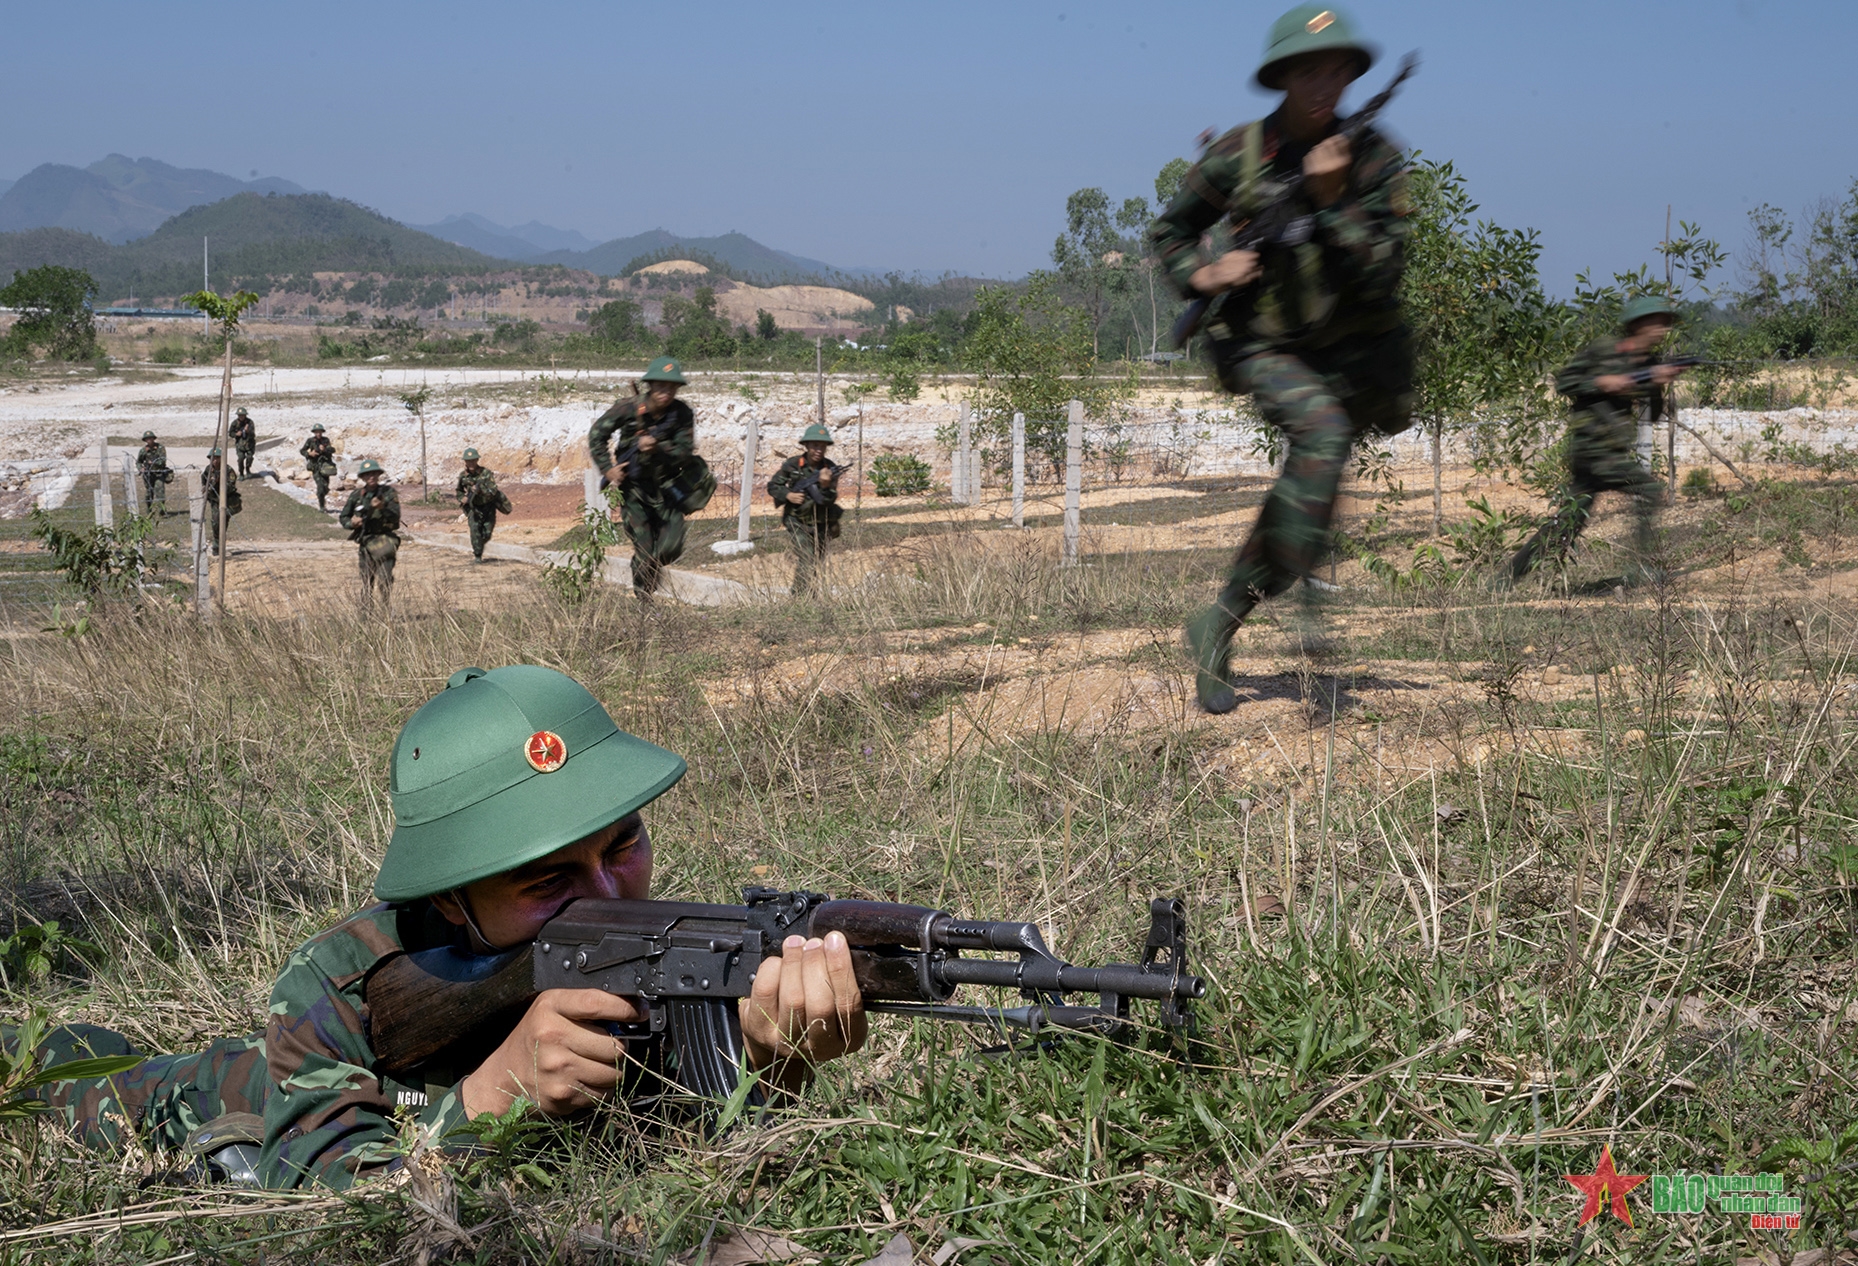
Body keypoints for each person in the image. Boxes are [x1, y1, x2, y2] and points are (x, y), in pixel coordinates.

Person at [24, 664, 867, 1188]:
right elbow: (341, 1201)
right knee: (49, 1074)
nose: (611, 889)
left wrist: (771, 1061)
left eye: (625, 845)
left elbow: (670, 1146)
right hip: (173, 1097)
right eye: (548, 880)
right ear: (454, 894)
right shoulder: (342, 980)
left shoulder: (654, 946)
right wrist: (500, 1090)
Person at [1150, 3, 1414, 714]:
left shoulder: (1375, 157)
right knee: (1322, 436)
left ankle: (1219, 623)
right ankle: (1291, 620)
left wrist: (1331, 203)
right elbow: (1172, 232)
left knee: (1311, 500)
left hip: (1346, 350)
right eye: (1308, 69)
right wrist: (1204, 275)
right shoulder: (1240, 154)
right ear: (1283, 77)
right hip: (1259, 342)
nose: (1325, 83)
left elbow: (1386, 270)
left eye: (1337, 69)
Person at [1502, 294, 1688, 588]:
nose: (1663, 330)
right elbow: (1565, 381)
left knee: (1568, 523)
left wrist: (1657, 383)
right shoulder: (1604, 349)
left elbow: (1652, 417)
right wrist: (1604, 382)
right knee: (1649, 489)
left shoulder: (1649, 363)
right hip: (1591, 450)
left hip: (1610, 450)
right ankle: (1639, 570)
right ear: (1639, 324)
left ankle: (1506, 579)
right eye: (1658, 322)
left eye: (1666, 324)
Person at [587, 356, 716, 600]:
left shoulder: (681, 413)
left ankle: (647, 573)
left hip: (667, 487)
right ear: (650, 385)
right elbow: (596, 435)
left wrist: (658, 447)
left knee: (670, 548)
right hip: (634, 490)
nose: (665, 392)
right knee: (645, 548)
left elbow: (685, 452)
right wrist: (607, 469)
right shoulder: (628, 408)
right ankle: (644, 599)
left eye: (671, 387)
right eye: (660, 386)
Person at [766, 424, 843, 597]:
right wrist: (788, 495)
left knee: (817, 558)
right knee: (806, 556)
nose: (819, 450)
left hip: (820, 520)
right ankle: (800, 597)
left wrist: (824, 486)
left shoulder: (829, 468)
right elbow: (773, 485)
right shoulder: (793, 465)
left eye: (822, 446)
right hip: (796, 519)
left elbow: (829, 499)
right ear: (806, 445)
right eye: (815, 445)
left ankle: (811, 594)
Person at [339, 459, 401, 608]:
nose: (371, 477)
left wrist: (382, 507)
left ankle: (386, 610)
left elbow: (396, 516)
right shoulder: (356, 495)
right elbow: (343, 517)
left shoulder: (388, 493)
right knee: (367, 580)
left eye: (374, 473)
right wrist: (352, 523)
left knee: (385, 579)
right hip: (366, 541)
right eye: (367, 475)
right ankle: (366, 614)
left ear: (378, 475)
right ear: (362, 478)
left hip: (385, 540)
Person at [454, 447, 513, 562]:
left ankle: (480, 544)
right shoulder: (463, 476)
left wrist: (481, 490)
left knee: (487, 533)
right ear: (465, 462)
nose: (471, 463)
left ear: (477, 460)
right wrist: (463, 498)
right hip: (473, 508)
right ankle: (477, 556)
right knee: (475, 531)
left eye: (473, 460)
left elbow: (493, 491)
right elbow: (459, 490)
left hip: (488, 507)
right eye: (468, 461)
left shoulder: (486, 473)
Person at [202, 447, 241, 556]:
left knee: (222, 523)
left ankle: (219, 545)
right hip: (215, 500)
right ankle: (216, 544)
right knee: (215, 523)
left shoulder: (228, 470)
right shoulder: (208, 470)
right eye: (212, 458)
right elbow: (203, 480)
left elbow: (231, 487)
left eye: (217, 458)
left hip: (226, 501)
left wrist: (219, 482)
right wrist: (205, 486)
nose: (214, 460)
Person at [301, 424, 337, 512]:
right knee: (320, 486)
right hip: (316, 468)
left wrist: (324, 450)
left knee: (325, 487)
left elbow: (332, 450)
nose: (318, 434)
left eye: (320, 432)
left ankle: (322, 497)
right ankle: (321, 507)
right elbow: (302, 450)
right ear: (314, 432)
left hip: (325, 467)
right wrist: (309, 454)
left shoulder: (326, 440)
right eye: (316, 432)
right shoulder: (310, 441)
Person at [136, 431, 170, 515]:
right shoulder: (143, 451)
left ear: (153, 439)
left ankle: (162, 510)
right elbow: (138, 462)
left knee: (160, 493)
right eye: (147, 439)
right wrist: (141, 468)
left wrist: (154, 463)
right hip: (148, 475)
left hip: (158, 474)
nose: (149, 440)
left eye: (151, 438)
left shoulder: (160, 448)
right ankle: (149, 510)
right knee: (149, 493)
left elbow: (163, 460)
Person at [229, 407, 257, 479]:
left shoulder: (250, 422)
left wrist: (248, 431)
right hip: (240, 445)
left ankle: (248, 469)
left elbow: (253, 434)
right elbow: (230, 433)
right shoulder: (235, 423)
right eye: (239, 415)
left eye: (242, 415)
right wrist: (236, 434)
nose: (241, 417)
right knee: (241, 458)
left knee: (249, 457)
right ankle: (241, 473)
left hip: (249, 444)